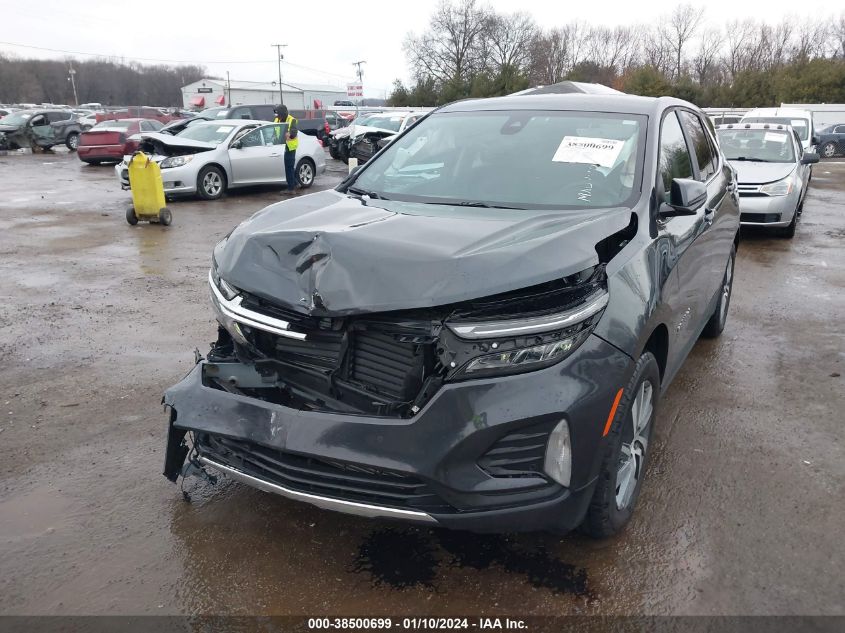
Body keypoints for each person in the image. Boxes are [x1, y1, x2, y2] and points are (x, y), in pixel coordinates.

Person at [273, 104, 299, 195]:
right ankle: (295, 183)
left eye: (278, 114)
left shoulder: (291, 120)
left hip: (290, 147)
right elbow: (274, 131)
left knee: (289, 167)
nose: (277, 117)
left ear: (283, 113)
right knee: (290, 166)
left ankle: (291, 188)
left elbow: (293, 133)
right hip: (280, 146)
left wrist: (289, 135)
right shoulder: (276, 120)